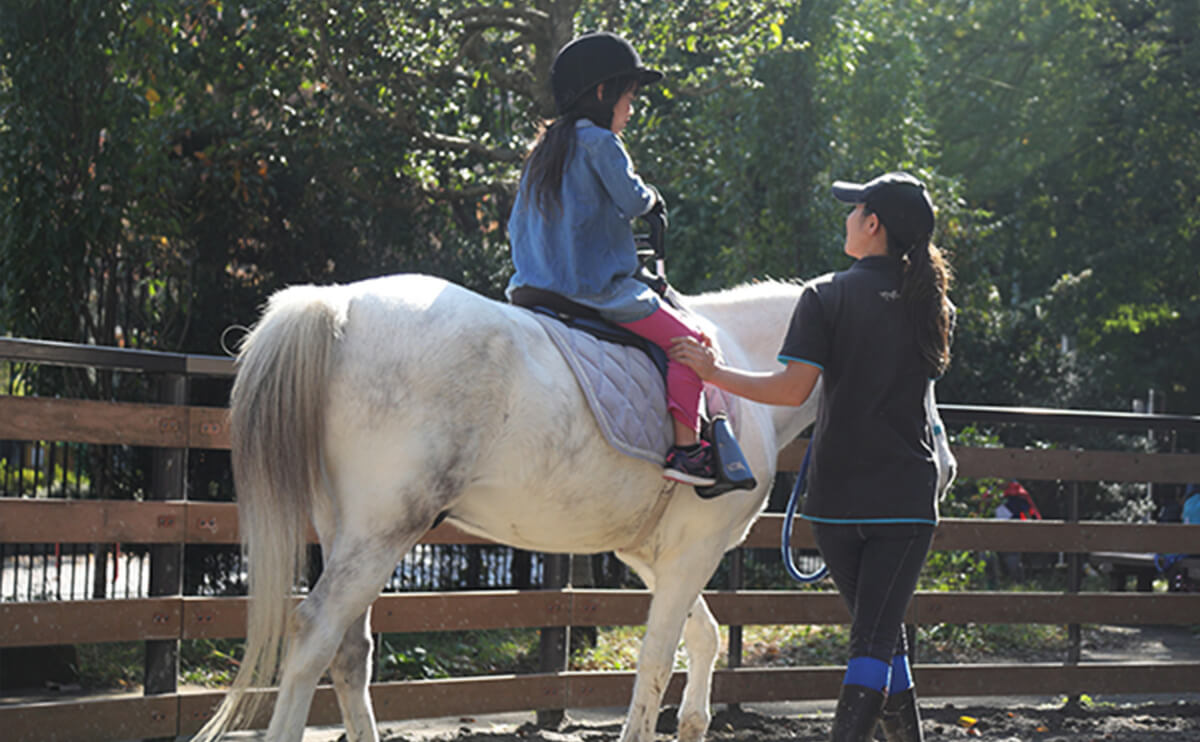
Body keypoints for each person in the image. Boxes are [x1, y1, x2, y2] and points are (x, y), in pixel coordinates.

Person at [670, 172, 953, 741]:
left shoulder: (824, 296)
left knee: (879, 634)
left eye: (855, 211)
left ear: (873, 225)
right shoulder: (934, 306)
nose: (846, 219)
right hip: (903, 501)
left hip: (836, 504)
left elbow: (791, 391)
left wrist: (712, 372)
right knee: (875, 637)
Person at [506, 31, 717, 486]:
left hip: (530, 284)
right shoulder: (601, 143)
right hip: (594, 289)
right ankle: (688, 451)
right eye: (629, 96)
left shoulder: (544, 149)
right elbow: (634, 200)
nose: (631, 109)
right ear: (602, 94)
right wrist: (653, 198)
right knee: (690, 344)